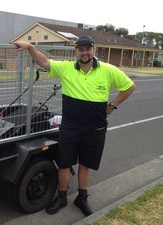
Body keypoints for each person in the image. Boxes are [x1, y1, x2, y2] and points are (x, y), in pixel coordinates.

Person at [13, 36, 135, 216]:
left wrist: (112, 106)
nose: (85, 53)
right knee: (64, 163)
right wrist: (30, 46)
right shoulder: (67, 68)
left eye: (88, 49)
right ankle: (61, 197)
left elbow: (129, 87)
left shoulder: (108, 70)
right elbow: (45, 62)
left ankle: (82, 198)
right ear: (76, 51)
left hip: (95, 129)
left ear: (93, 50)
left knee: (86, 164)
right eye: (81, 49)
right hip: (70, 128)